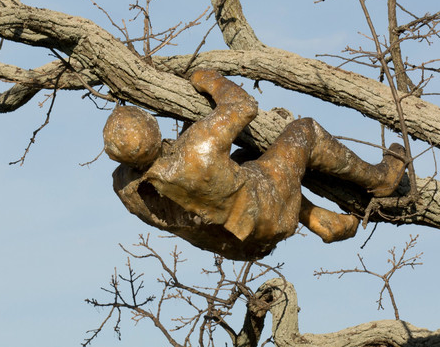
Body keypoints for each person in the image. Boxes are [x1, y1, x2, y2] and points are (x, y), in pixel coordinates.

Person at [104, 69, 407, 260]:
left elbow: (181, 182)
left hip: (240, 248)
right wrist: (208, 79)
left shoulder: (126, 190)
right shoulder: (199, 148)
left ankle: (318, 218)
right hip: (268, 208)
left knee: (242, 163)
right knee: (305, 131)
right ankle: (380, 178)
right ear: (154, 132)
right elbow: (243, 106)